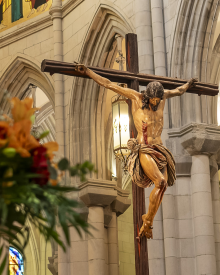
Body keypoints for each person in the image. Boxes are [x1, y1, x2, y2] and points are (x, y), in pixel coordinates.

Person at [74, 64, 197, 239]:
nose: (157, 102)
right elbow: (109, 84)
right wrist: (88, 72)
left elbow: (178, 91)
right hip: (144, 149)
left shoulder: (163, 99)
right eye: (154, 99)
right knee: (161, 182)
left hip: (160, 149)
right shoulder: (136, 98)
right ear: (149, 96)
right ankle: (148, 223)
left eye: (159, 100)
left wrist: (188, 85)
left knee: (162, 187)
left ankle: (148, 218)